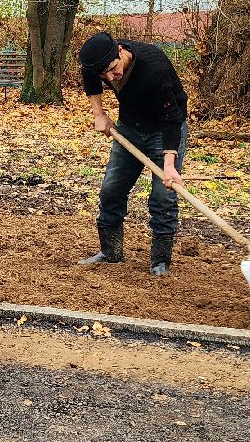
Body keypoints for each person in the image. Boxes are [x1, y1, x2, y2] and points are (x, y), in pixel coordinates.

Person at [76, 31, 189, 275]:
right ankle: (110, 252)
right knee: (111, 189)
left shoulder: (154, 68)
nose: (110, 77)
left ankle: (160, 262)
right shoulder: (99, 64)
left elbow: (172, 118)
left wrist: (169, 164)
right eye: (104, 74)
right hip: (129, 128)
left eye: (112, 69)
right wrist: (99, 114)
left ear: (120, 51)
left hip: (164, 129)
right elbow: (90, 76)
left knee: (162, 197)